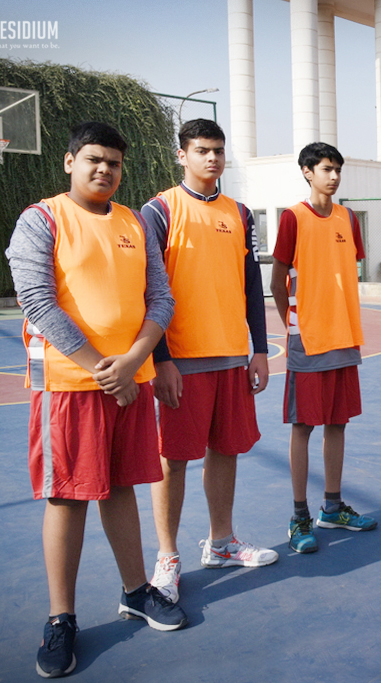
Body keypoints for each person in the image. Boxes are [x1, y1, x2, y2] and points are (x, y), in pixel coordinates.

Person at [7, 121, 187, 678]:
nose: (104, 169)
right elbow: (37, 300)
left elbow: (161, 299)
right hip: (68, 386)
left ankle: (136, 591)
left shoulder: (135, 222)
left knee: (123, 486)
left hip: (128, 382)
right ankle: (61, 618)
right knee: (67, 497)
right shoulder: (41, 219)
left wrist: (132, 362)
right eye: (93, 159)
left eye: (114, 162)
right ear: (70, 162)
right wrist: (104, 370)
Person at [143, 119, 276, 605]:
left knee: (226, 450)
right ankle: (167, 557)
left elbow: (251, 285)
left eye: (218, 150)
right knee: (173, 460)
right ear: (182, 155)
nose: (213, 158)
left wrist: (258, 349)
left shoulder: (239, 213)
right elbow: (147, 289)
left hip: (230, 356)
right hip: (181, 359)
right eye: (202, 150)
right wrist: (160, 358)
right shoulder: (159, 210)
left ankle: (221, 543)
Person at [270, 142, 377, 554]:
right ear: (307, 172)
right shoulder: (293, 218)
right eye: (326, 169)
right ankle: (298, 516)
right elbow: (277, 280)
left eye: (337, 170)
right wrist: (295, 324)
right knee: (303, 426)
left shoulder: (348, 219)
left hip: (344, 336)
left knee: (338, 423)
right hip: (309, 340)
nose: (333, 177)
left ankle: (332, 507)